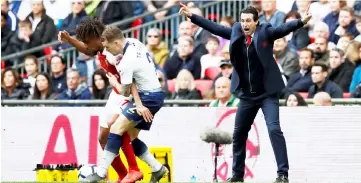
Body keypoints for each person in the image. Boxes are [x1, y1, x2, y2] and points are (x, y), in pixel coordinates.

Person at [179, 3, 312, 183]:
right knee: (239, 134)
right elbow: (215, 27)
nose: (245, 24)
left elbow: (282, 29)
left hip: (267, 94)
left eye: (248, 21)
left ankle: (282, 174)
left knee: (274, 129)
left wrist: (301, 21)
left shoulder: (265, 31)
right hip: (247, 96)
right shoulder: (236, 32)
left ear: (257, 22)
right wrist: (193, 17)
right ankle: (237, 176)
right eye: (242, 21)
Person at [58, 18, 166, 183]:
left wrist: (136, 102)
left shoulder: (114, 52)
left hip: (127, 93)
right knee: (103, 137)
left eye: (87, 41)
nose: (86, 45)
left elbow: (132, 80)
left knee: (117, 127)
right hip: (116, 93)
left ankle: (134, 170)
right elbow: (88, 50)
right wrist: (69, 39)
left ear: (97, 38)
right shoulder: (103, 46)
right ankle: (126, 174)